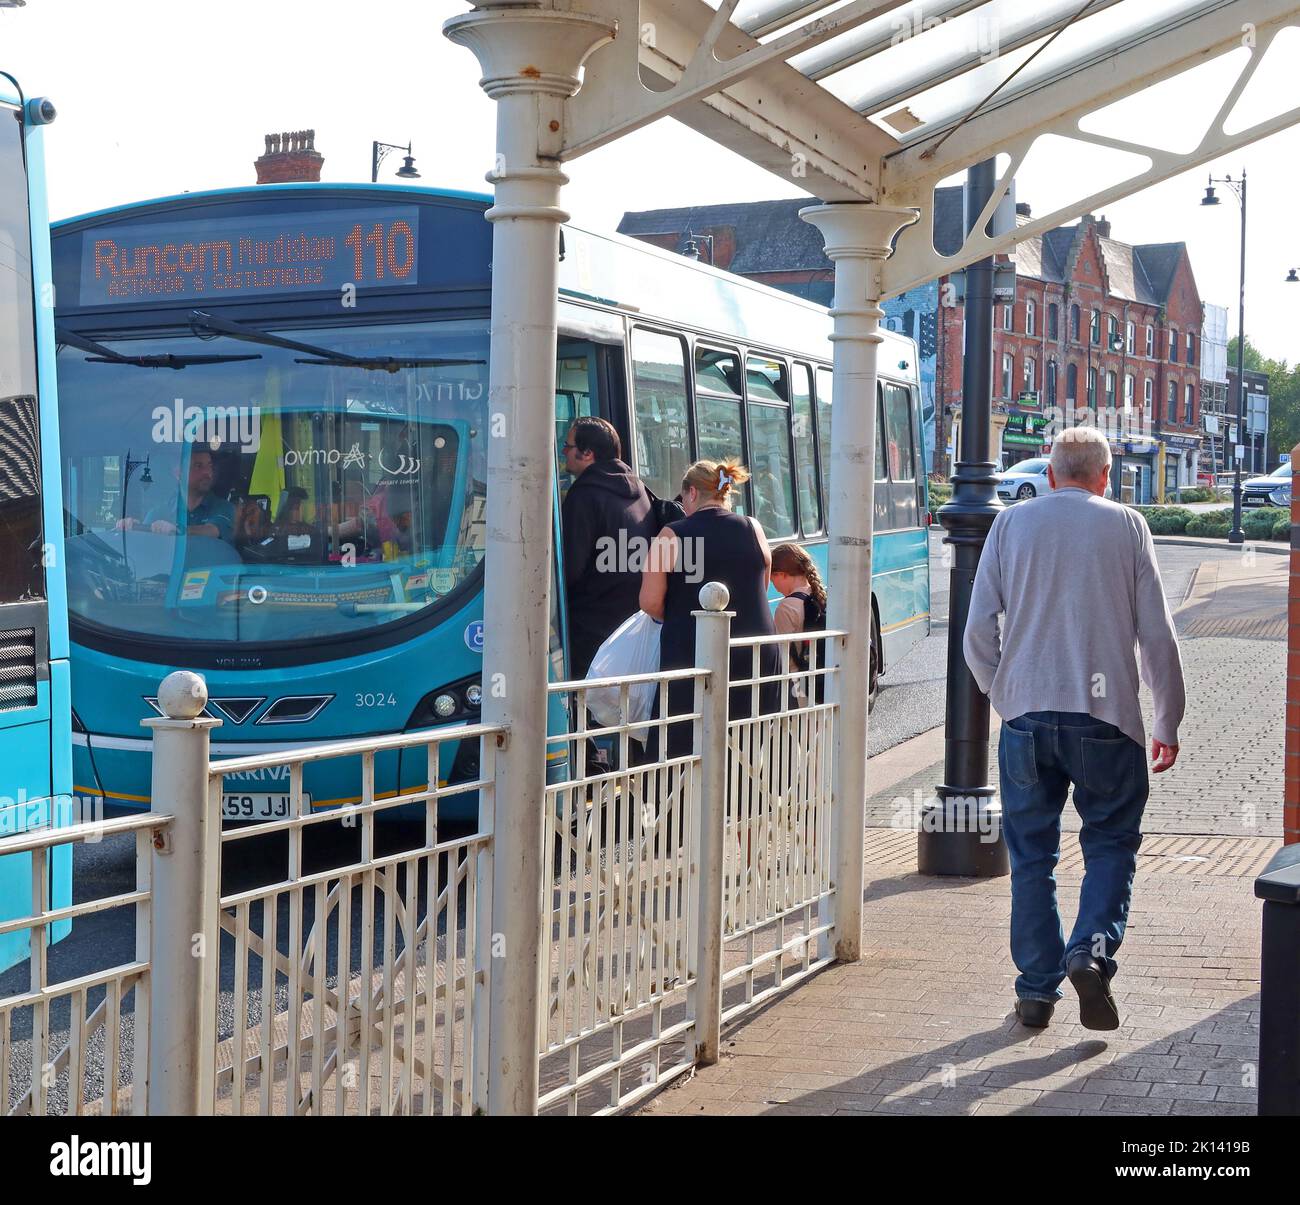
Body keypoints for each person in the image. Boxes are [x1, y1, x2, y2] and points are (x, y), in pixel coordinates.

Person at [963, 425, 1185, 1032]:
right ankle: (1090, 949)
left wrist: (1002, 692)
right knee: (1111, 843)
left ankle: (1036, 991)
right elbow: (1156, 634)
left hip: (1028, 719)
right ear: (1106, 477)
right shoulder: (1126, 525)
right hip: (1108, 720)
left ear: (1052, 474)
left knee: (1033, 858)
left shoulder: (1011, 524)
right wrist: (1166, 717)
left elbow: (978, 631)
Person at [640, 458, 779, 757]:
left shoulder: (671, 534)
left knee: (685, 741)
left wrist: (680, 615)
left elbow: (649, 601)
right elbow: (761, 582)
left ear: (691, 493)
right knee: (752, 742)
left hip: (693, 652)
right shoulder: (752, 527)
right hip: (754, 651)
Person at [561, 416, 657, 680]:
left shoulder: (584, 495)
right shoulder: (640, 489)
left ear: (587, 453)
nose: (564, 452)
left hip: (590, 629)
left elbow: (569, 569)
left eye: (568, 445)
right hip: (632, 624)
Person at [118, 446, 234, 541]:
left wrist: (178, 530)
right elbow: (144, 547)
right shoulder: (158, 513)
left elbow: (213, 530)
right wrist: (131, 529)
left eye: (210, 466)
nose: (207, 472)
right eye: (198, 466)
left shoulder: (224, 508)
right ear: (178, 473)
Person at [770, 542, 827, 703]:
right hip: (824, 681)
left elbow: (784, 656)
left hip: (798, 687)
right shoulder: (820, 596)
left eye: (773, 579)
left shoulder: (786, 607)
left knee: (801, 728)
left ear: (782, 574)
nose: (773, 586)